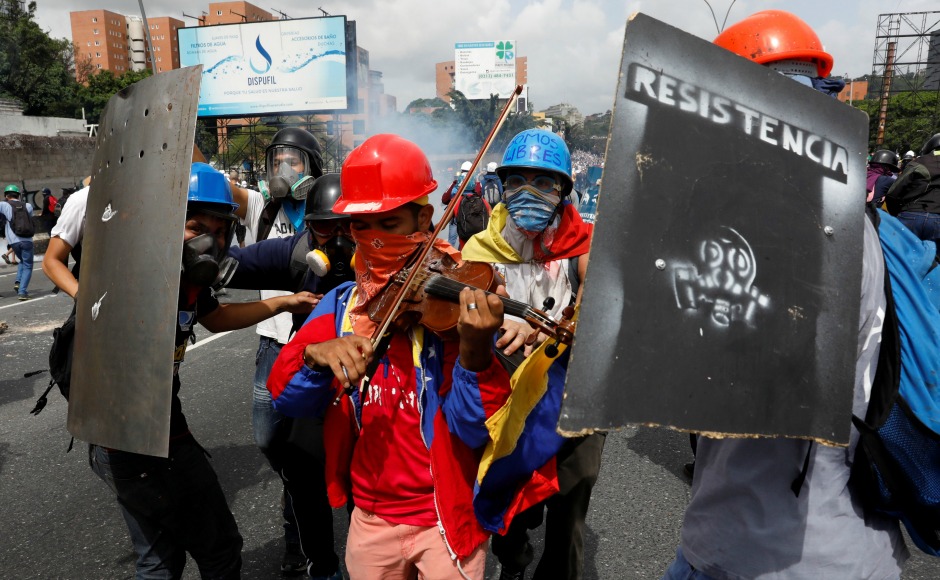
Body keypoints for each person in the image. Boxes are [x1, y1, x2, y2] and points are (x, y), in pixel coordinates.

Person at [660, 11, 906, 579]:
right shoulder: (849, 216)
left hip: (767, 555)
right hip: (829, 543)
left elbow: (734, 378)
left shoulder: (795, 226)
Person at [47, 162, 317, 579]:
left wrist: (283, 302)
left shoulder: (184, 279)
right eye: (195, 226)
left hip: (129, 436)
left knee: (159, 557)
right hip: (140, 441)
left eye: (221, 229)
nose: (211, 240)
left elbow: (217, 318)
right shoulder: (140, 276)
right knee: (220, 549)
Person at [266, 134, 512, 579]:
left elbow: (474, 428)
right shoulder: (344, 303)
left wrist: (475, 354)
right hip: (371, 515)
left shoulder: (454, 310)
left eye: (389, 223)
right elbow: (285, 396)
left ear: (424, 217)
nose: (373, 240)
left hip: (444, 515)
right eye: (361, 227)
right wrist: (313, 358)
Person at [460, 128, 602, 580]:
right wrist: (503, 319)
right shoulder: (481, 247)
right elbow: (468, 307)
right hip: (509, 386)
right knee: (504, 480)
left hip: (573, 382)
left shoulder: (585, 243)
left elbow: (603, 306)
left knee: (573, 495)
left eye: (544, 183)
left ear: (563, 191)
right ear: (501, 186)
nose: (529, 193)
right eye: (518, 181)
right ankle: (514, 554)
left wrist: (568, 324)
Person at [226, 172, 355, 580]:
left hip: (369, 385)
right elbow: (226, 265)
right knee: (300, 466)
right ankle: (321, 563)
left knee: (367, 475)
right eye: (323, 227)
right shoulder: (296, 254)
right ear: (308, 227)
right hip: (315, 381)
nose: (336, 240)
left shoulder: (386, 253)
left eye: (346, 227)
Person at [886, 133, 940, 245]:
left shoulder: (919, 162)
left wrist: (897, 213)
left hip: (911, 215)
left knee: (898, 258)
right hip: (937, 220)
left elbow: (893, 192)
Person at [1, 184, 35, 300]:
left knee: (23, 261)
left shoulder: (4, 205)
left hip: (14, 242)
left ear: (6, 195)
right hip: (27, 241)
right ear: (18, 195)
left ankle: (18, 282)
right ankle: (22, 291)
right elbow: (30, 217)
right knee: (28, 265)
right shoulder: (28, 206)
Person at [442, 160, 478, 246]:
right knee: (466, 239)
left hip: (455, 215)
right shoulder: (476, 185)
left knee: (451, 239)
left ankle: (450, 256)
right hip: (469, 217)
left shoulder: (455, 184)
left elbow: (444, 199)